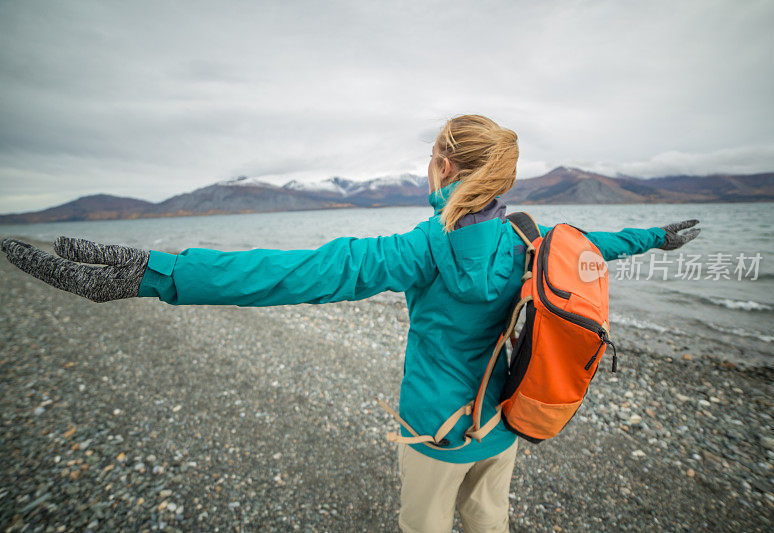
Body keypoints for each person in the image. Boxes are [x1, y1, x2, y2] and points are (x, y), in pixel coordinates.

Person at [1, 114, 700, 532]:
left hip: (436, 431)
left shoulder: (423, 247)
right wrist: (657, 237)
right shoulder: (529, 238)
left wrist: (157, 273)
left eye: (432, 157)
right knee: (491, 518)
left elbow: (302, 272)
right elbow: (593, 245)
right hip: (509, 418)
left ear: (446, 165)